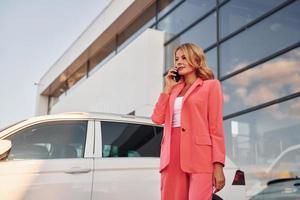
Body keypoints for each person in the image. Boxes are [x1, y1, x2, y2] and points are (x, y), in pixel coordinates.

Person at [151, 43, 226, 200]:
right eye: (177, 59)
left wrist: (218, 165)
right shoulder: (173, 90)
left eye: (184, 57)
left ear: (196, 60)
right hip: (171, 155)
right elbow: (157, 118)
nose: (179, 62)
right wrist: (167, 89)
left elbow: (215, 127)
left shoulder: (211, 86)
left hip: (200, 155)